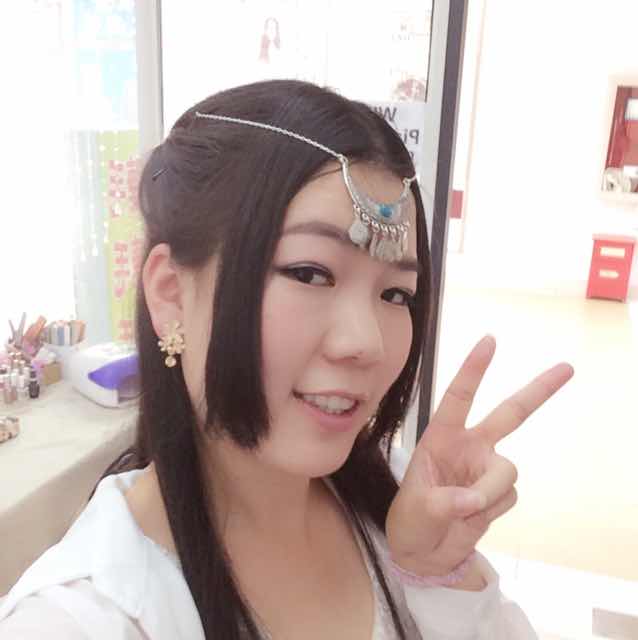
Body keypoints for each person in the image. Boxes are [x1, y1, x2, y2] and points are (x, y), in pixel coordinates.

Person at [0, 79, 573, 639]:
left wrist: (437, 575)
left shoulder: (398, 500)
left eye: (397, 294)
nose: (368, 342)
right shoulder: (82, 617)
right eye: (310, 273)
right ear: (171, 294)